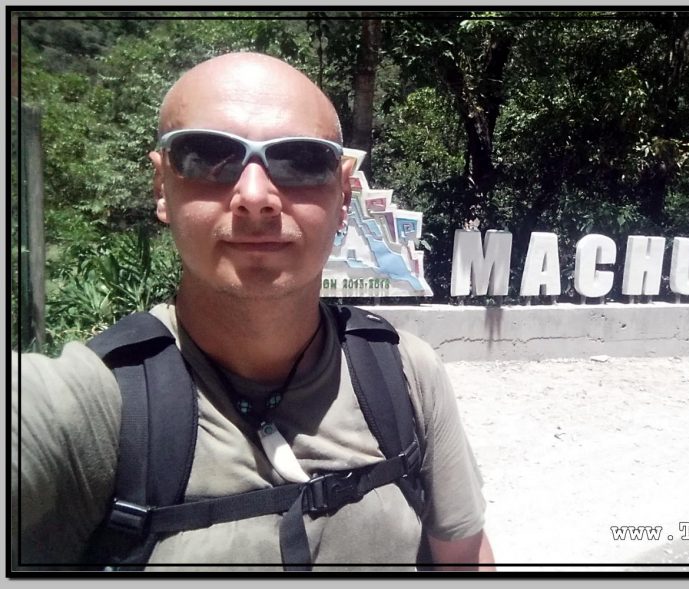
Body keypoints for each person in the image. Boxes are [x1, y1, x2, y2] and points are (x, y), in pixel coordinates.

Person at [12, 52, 495, 571]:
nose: (255, 196)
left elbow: (463, 559)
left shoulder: (405, 372)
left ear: (342, 196)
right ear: (162, 187)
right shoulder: (87, 406)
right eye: (207, 157)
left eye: (301, 161)